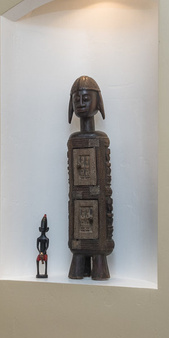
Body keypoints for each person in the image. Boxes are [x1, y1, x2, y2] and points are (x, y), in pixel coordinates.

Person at [67, 75, 114, 280]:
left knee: (99, 222)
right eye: (77, 100)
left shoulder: (100, 140)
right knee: (78, 227)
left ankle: (99, 266)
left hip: (98, 196)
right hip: (78, 196)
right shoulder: (74, 141)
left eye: (86, 99)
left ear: (98, 102)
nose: (81, 104)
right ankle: (79, 265)